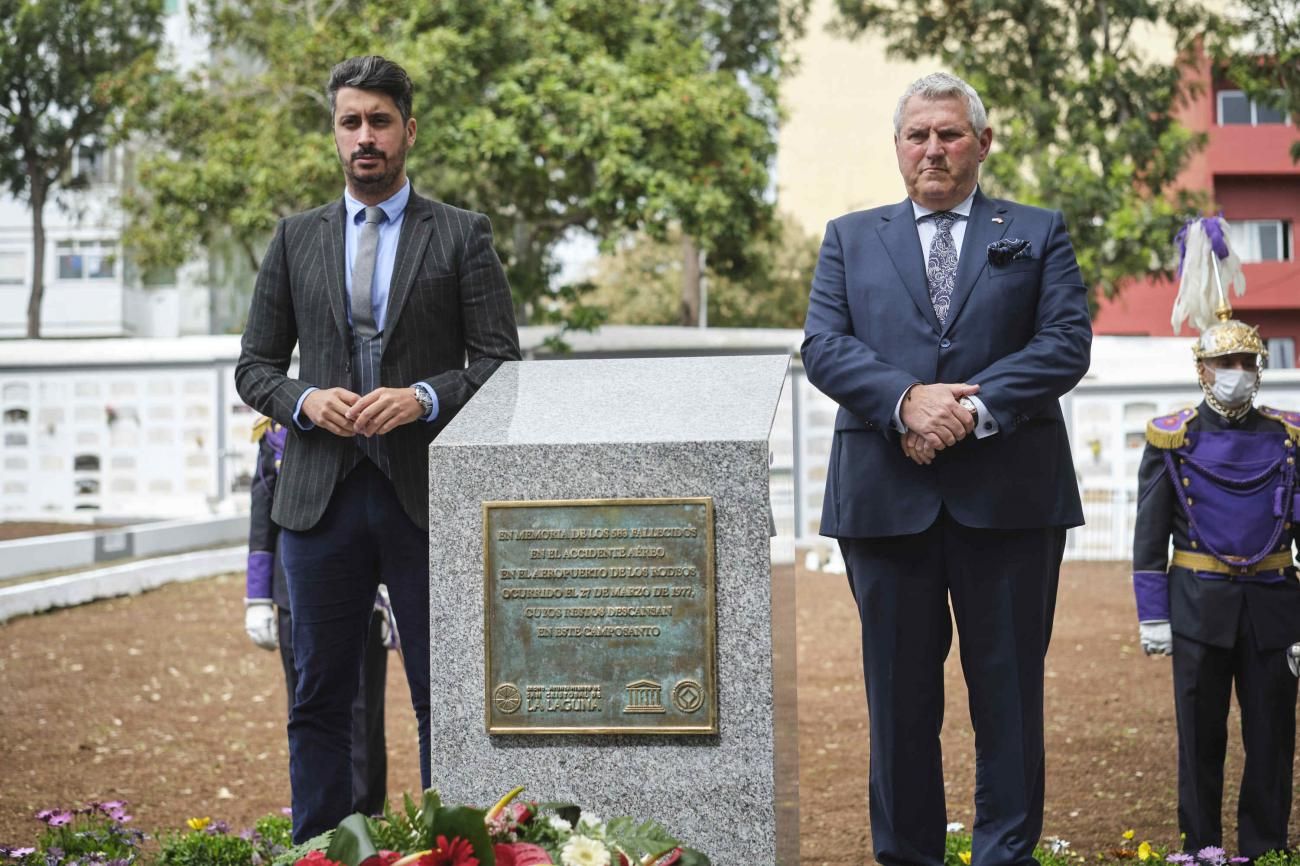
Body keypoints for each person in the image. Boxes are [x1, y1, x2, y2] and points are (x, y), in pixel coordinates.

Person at [801, 71, 1092, 866]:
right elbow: (824, 345)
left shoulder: (1035, 230)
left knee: (1008, 701)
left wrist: (966, 409)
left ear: (982, 143)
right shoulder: (849, 237)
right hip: (885, 505)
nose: (933, 148)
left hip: (1010, 502)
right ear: (898, 148)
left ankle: (1006, 855)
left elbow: (1065, 343)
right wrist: (905, 401)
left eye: (950, 134)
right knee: (898, 708)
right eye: (917, 135)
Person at [234, 55, 521, 842]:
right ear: (335, 133)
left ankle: (454, 851)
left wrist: (423, 397)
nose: (365, 137)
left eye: (379, 121)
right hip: (318, 499)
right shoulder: (295, 240)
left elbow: (501, 361)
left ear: (409, 129)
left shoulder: (462, 234)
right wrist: (304, 400)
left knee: (445, 698)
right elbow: (254, 368)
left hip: (424, 496)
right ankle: (325, 853)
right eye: (350, 122)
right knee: (319, 699)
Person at [1132, 216, 1300, 858]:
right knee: (1198, 741)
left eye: (1246, 361)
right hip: (1197, 608)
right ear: (1202, 370)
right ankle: (1200, 847)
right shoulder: (1172, 437)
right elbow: (1149, 539)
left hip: (1273, 608)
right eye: (1224, 361)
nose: (1237, 371)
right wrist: (1153, 616)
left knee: (1273, 740)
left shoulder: (1287, 439)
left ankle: (1265, 847)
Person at [243, 415, 391, 817]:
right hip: (293, 593)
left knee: (362, 713)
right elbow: (264, 515)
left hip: (370, 592)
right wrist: (257, 597)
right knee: (306, 709)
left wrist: (390, 587)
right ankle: (317, 822)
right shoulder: (278, 430)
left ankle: (365, 819)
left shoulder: (378, 417)